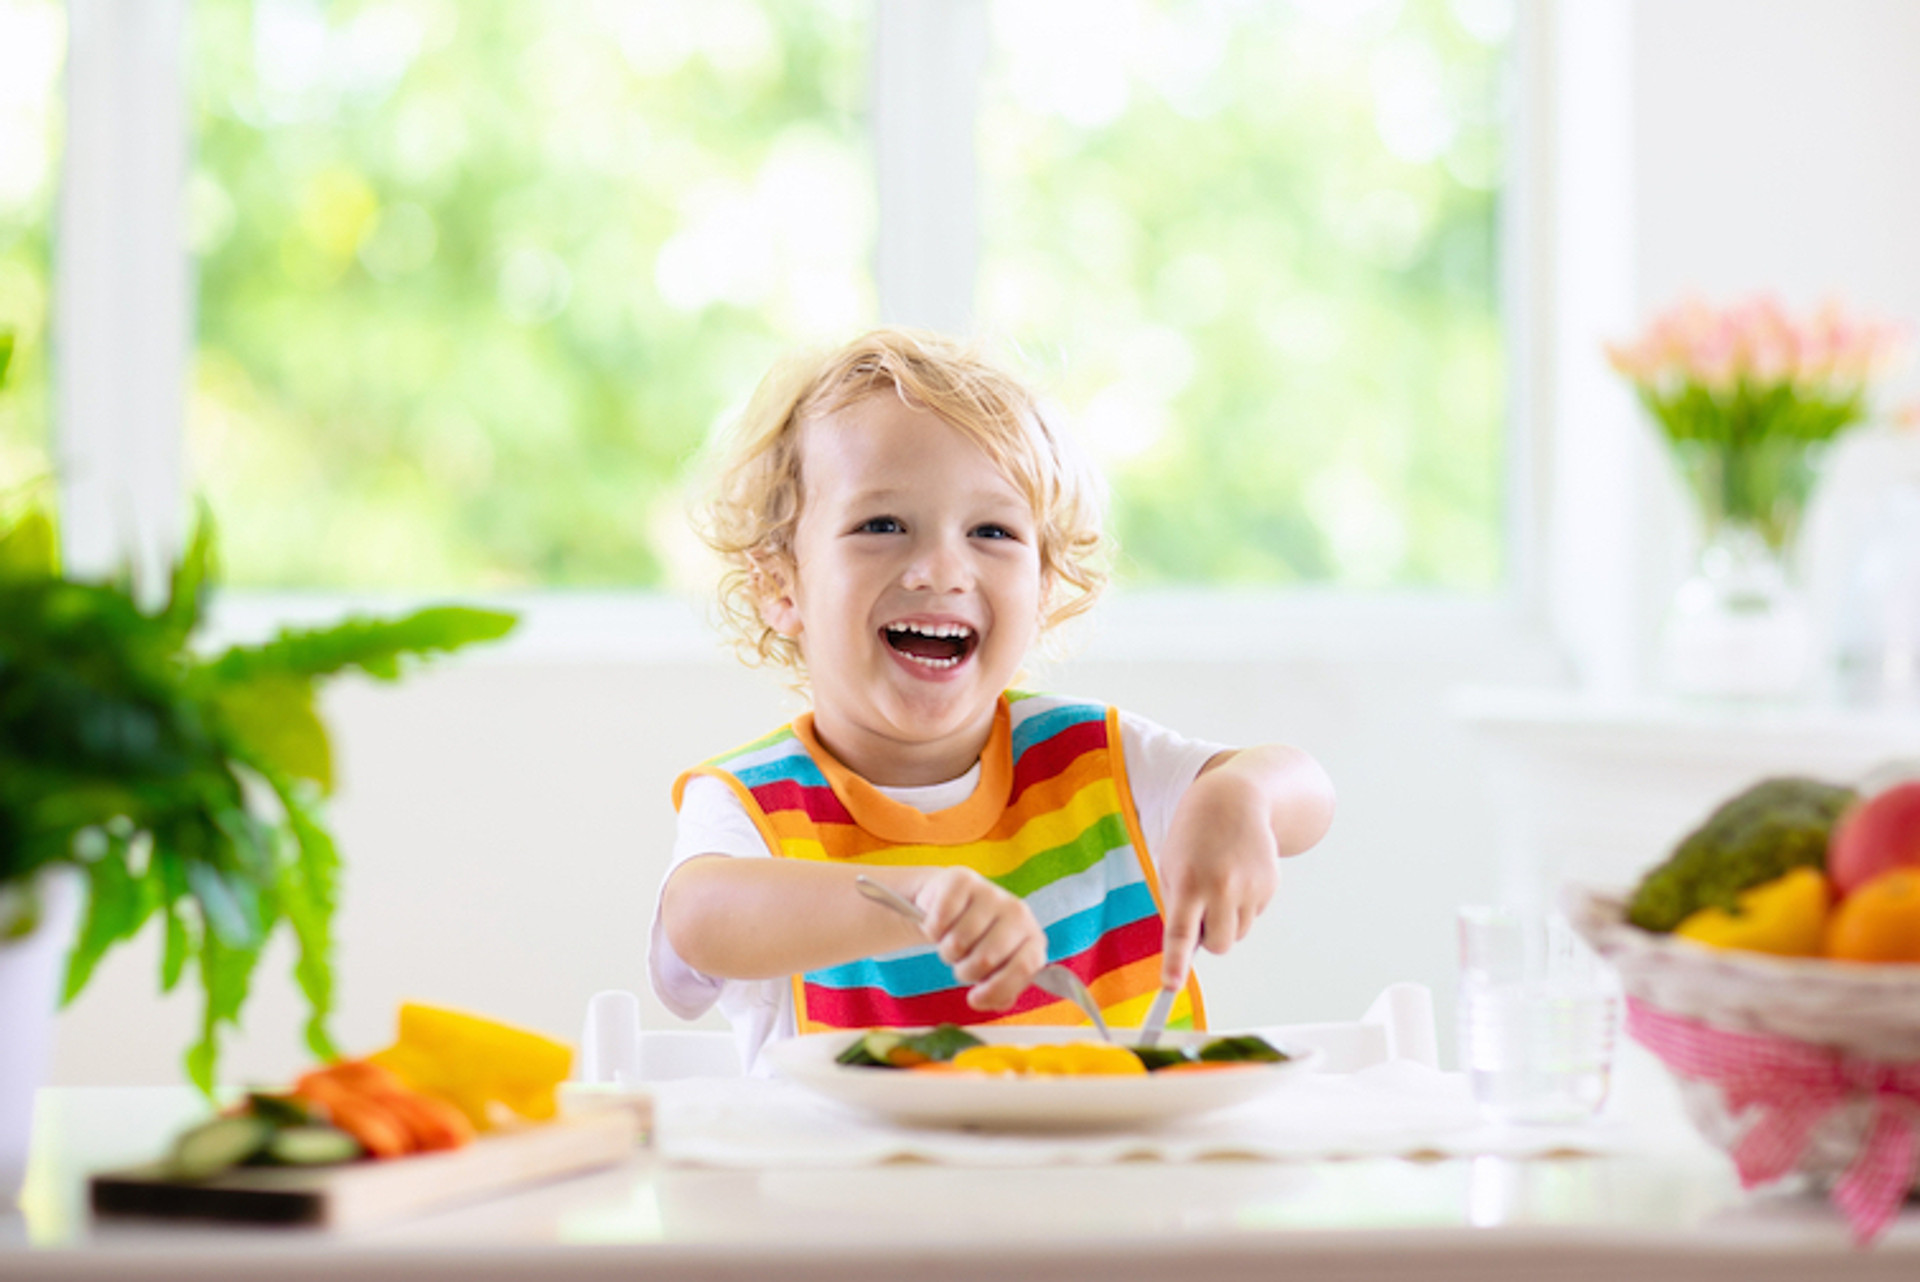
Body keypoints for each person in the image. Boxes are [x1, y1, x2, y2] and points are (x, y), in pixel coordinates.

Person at [650, 328, 1335, 1071]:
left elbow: (1308, 793)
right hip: (846, 1188)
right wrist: (914, 895)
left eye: (992, 531)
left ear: (1043, 588)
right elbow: (698, 919)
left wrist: (1238, 794)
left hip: (1115, 1180)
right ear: (781, 586)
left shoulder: (1096, 763)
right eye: (881, 525)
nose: (941, 568)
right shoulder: (752, 803)